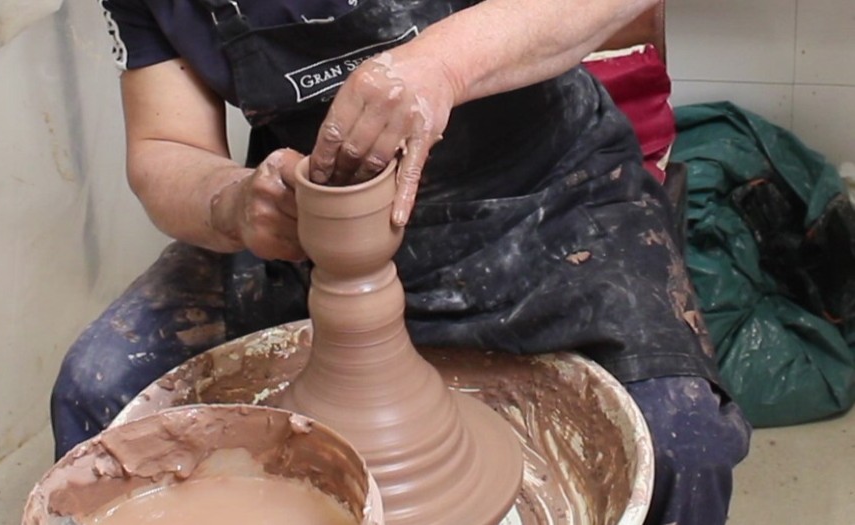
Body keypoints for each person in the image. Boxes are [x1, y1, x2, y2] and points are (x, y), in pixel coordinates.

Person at [52, 1, 752, 523]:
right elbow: (163, 145)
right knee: (99, 385)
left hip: (547, 194)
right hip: (314, 234)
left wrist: (439, 64)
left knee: (678, 440)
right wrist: (232, 202)